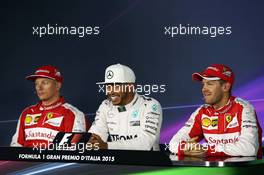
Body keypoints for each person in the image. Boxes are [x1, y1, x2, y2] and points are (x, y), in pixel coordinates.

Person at [169, 64, 262, 157]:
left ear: (225, 87)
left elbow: (249, 148)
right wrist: (185, 148)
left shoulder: (244, 108)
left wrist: (206, 149)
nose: (203, 89)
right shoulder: (201, 112)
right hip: (214, 170)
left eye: (209, 84)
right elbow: (173, 144)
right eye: (203, 84)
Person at [88, 63, 162, 150]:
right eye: (108, 86)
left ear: (130, 86)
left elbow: (146, 143)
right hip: (116, 162)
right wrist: (92, 141)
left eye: (116, 86)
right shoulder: (106, 105)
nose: (110, 92)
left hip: (147, 162)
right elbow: (95, 134)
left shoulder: (150, 105)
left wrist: (107, 146)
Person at [11, 65, 87, 147]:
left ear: (57, 86)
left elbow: (72, 152)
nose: (39, 88)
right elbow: (16, 146)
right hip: (25, 159)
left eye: (44, 83)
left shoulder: (73, 114)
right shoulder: (27, 113)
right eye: (36, 84)